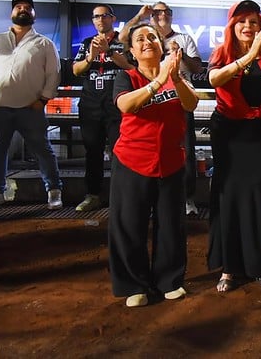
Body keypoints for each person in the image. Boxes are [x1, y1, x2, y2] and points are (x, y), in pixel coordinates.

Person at [108, 23, 199, 308]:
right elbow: (126, 105)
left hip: (170, 162)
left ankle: (169, 281)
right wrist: (158, 81)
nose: (147, 41)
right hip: (132, 161)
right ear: (132, 51)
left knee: (171, 225)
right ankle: (134, 285)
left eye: (152, 37)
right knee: (129, 225)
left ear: (162, 47)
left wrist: (176, 78)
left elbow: (191, 104)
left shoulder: (174, 77)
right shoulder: (127, 77)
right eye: (140, 39)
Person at [206, 0, 261, 291]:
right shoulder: (222, 52)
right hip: (228, 130)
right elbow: (214, 79)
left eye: (253, 22)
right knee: (228, 193)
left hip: (259, 130)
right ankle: (229, 268)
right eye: (242, 21)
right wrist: (247, 58)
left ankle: (258, 264)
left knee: (255, 193)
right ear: (232, 25)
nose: (248, 27)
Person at [0, 0, 63, 211]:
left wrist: (43, 99)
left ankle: (54, 190)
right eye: (18, 7)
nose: (23, 9)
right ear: (12, 13)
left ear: (34, 14)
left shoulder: (44, 43)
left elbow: (54, 73)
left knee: (42, 150)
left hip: (30, 108)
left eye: (27, 7)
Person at [120, 2, 203, 215]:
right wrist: (139, 16)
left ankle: (187, 198)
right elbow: (123, 38)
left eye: (166, 11)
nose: (162, 15)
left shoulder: (183, 38)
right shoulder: (129, 76)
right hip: (136, 160)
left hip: (178, 99)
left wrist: (178, 57)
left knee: (186, 150)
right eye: (157, 12)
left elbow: (197, 70)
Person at [71, 4, 133, 211]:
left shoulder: (122, 42)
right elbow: (76, 70)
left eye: (104, 16)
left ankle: (121, 197)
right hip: (90, 104)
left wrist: (109, 52)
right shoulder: (87, 43)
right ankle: (93, 195)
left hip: (116, 104)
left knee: (120, 151)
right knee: (92, 151)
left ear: (113, 19)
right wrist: (91, 56)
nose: (100, 20)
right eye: (96, 17)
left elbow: (131, 67)